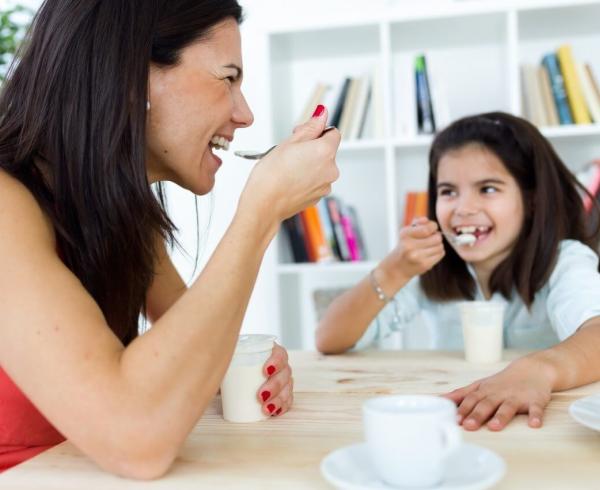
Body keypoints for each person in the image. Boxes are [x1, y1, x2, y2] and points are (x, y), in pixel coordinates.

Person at [0, 0, 340, 478]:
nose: (245, 115)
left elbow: (189, 344)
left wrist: (232, 367)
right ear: (132, 77)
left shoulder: (120, 212)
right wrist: (262, 210)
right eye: (228, 78)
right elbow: (135, 436)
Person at [316, 112, 600, 431]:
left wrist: (537, 369)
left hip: (541, 425)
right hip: (453, 422)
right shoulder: (430, 267)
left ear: (531, 199)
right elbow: (330, 339)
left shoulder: (563, 261)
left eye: (488, 189)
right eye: (448, 191)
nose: (463, 208)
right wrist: (393, 270)